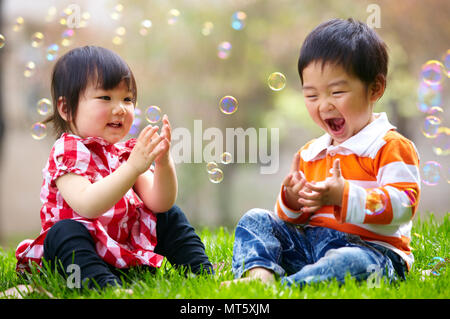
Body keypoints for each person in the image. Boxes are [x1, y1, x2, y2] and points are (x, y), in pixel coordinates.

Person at [225, 18, 420, 287]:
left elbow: (403, 204)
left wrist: (345, 196)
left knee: (349, 263)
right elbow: (294, 220)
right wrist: (292, 200)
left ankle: (288, 287)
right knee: (255, 219)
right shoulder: (312, 152)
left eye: (337, 91)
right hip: (312, 249)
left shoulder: (389, 146)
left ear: (375, 88)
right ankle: (260, 277)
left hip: (373, 252)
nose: (324, 105)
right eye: (312, 96)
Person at [15, 45, 213, 290]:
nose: (120, 108)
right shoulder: (67, 150)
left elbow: (161, 202)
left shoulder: (124, 152)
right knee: (64, 232)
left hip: (121, 247)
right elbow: (88, 205)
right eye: (106, 97)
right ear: (65, 108)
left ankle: (202, 274)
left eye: (127, 99)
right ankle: (107, 288)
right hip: (77, 255)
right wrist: (132, 168)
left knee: (168, 216)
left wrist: (162, 163)